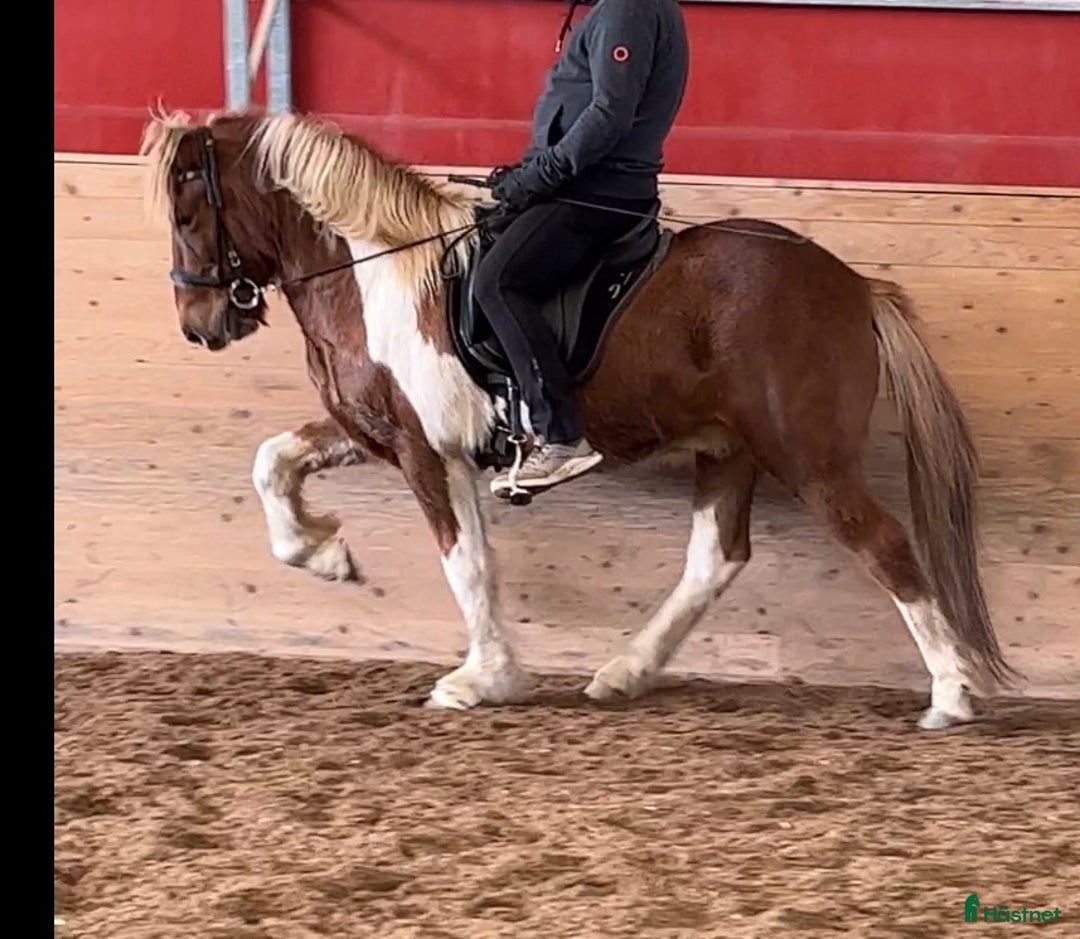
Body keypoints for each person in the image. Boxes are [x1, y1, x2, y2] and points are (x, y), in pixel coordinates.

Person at [474, 0, 689, 498]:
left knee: (498, 283)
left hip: (596, 191)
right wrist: (530, 174)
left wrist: (539, 176)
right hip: (582, 183)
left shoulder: (628, 9)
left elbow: (609, 115)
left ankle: (560, 436)